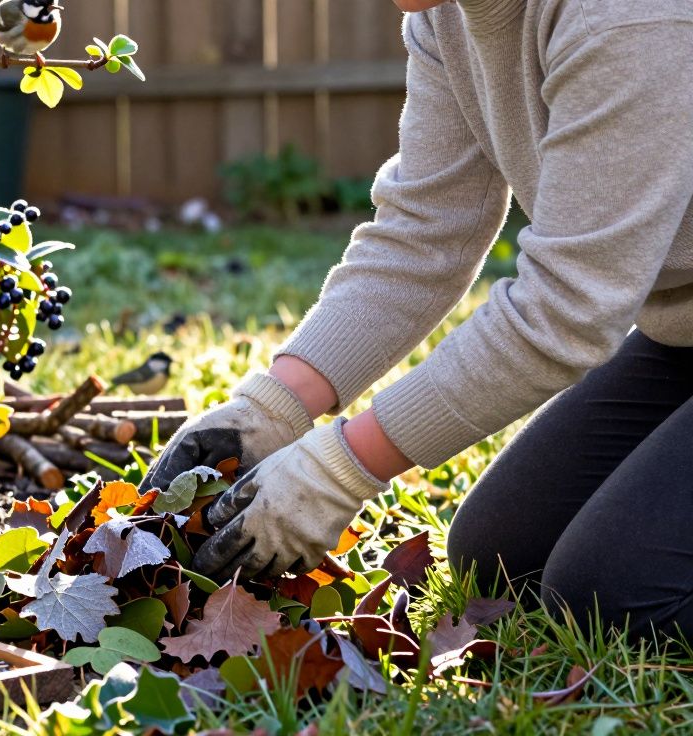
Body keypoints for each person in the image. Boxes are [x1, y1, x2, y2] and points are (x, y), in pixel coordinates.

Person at [143, 0, 693, 638]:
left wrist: (339, 469)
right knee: (500, 558)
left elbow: (567, 309)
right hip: (679, 338)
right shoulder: (448, 17)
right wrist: (273, 406)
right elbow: (426, 232)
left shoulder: (628, 17)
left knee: (619, 599)